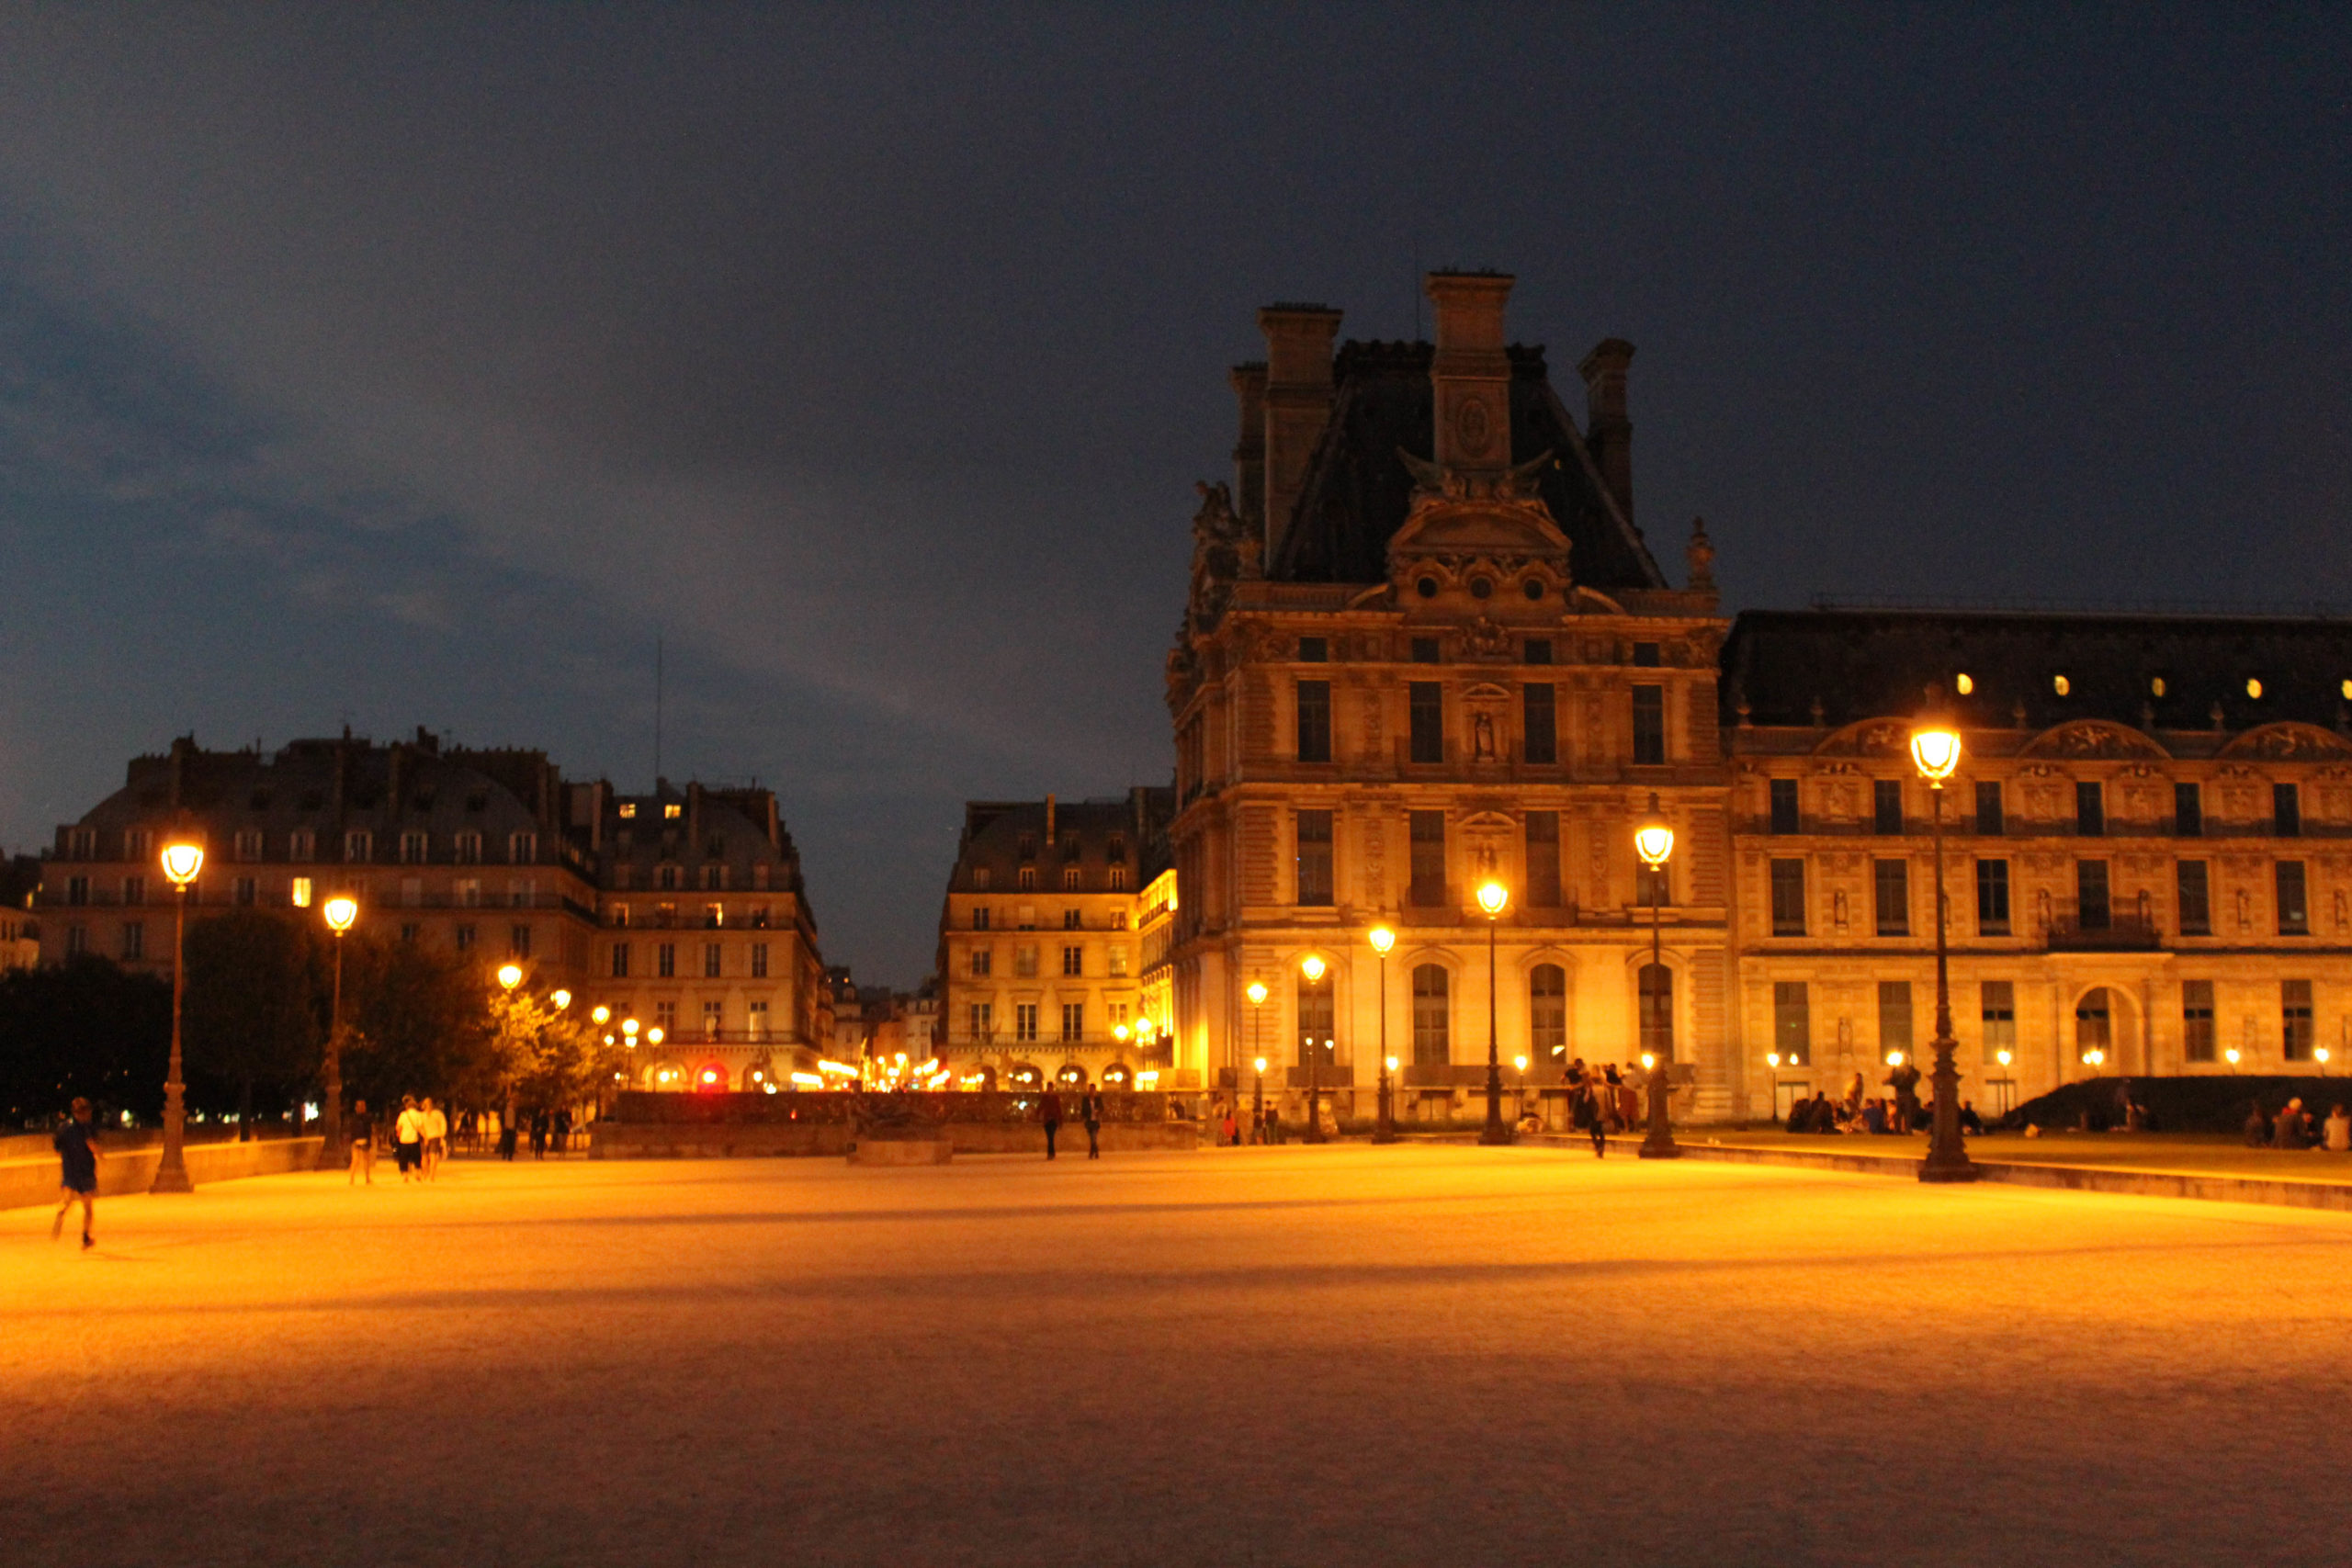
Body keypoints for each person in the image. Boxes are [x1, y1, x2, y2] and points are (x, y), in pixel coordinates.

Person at [51, 1098, 102, 1249]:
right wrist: (100, 1154)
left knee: (67, 1199)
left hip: (69, 1171)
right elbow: (93, 1146)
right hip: (85, 1171)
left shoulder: (63, 1127)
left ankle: (61, 1210)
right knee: (88, 1207)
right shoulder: (87, 1127)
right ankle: (85, 1237)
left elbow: (56, 1148)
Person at [393, 1095, 425, 1182]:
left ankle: (405, 1175)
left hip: (404, 1140)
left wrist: (398, 1136)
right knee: (416, 1158)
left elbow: (398, 1127)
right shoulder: (418, 1115)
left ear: (407, 1106)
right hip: (414, 1140)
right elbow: (420, 1127)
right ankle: (417, 1173)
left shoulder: (403, 1115)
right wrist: (425, 1136)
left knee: (404, 1158)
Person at [347, 1098, 375, 1185]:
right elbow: (369, 1130)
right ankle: (367, 1178)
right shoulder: (368, 1117)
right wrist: (370, 1140)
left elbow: (351, 1130)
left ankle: (351, 1178)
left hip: (355, 1140)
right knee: (366, 1160)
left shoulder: (353, 1118)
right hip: (364, 1139)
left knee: (355, 1160)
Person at [420, 1096, 448, 1179]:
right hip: (431, 1136)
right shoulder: (435, 1114)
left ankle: (428, 1173)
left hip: (430, 1137)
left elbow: (420, 1127)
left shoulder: (425, 1115)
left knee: (428, 1156)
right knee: (429, 1156)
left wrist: (424, 1135)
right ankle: (429, 1173)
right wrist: (442, 1135)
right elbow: (443, 1125)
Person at [1039, 1089, 1063, 1159]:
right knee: (1050, 1137)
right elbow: (1040, 1106)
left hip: (1053, 1120)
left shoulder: (1055, 1098)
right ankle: (1051, 1153)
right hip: (1047, 1120)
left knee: (1051, 1137)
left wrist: (1060, 1120)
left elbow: (1059, 1109)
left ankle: (1051, 1153)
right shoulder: (1045, 1098)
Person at [1081, 1090, 1104, 1159]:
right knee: (1092, 1138)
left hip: (1096, 1121)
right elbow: (1083, 1109)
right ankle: (1096, 1152)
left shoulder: (1098, 1099)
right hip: (1089, 1121)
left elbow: (1102, 1108)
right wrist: (1084, 1118)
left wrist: (1098, 1111)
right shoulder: (1086, 1100)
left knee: (1093, 1137)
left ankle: (1091, 1153)